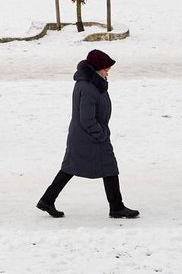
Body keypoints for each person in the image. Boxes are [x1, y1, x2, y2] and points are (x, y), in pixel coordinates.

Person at [36, 49, 139, 219]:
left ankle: (47, 200)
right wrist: (101, 134)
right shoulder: (89, 87)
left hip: (84, 136)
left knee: (74, 168)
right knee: (107, 167)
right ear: (97, 68)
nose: (108, 71)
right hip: (89, 137)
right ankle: (116, 207)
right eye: (106, 68)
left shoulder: (93, 83)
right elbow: (87, 119)